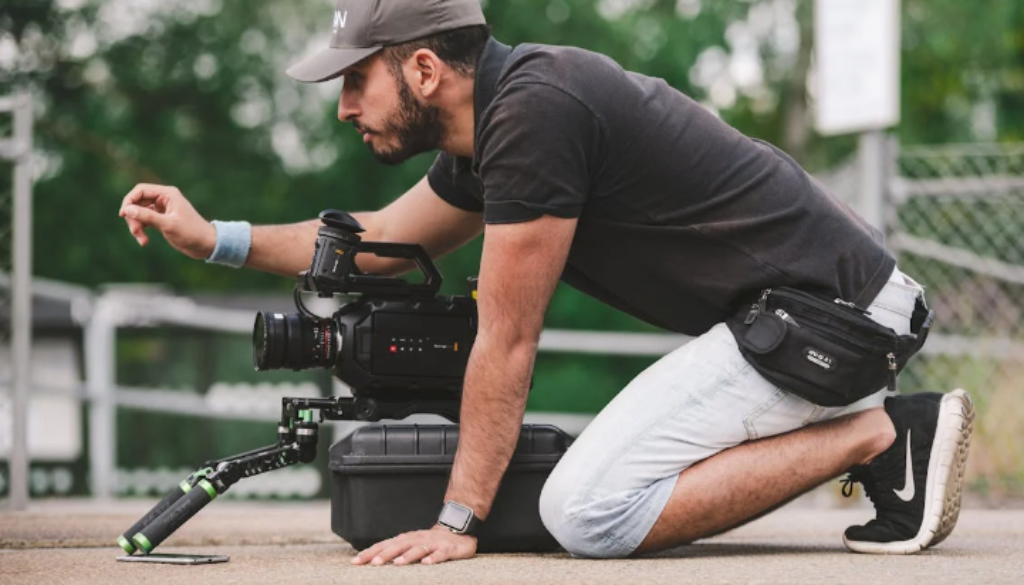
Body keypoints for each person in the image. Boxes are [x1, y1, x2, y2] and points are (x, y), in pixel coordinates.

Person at [119, 0, 974, 565]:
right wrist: (213, 239)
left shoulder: (535, 114)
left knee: (588, 512)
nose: (344, 107)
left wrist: (458, 522)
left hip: (833, 324)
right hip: (803, 320)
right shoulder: (498, 127)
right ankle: (879, 434)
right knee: (593, 499)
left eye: (355, 80)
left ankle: (885, 435)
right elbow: (375, 243)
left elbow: (509, 333)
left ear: (422, 71)